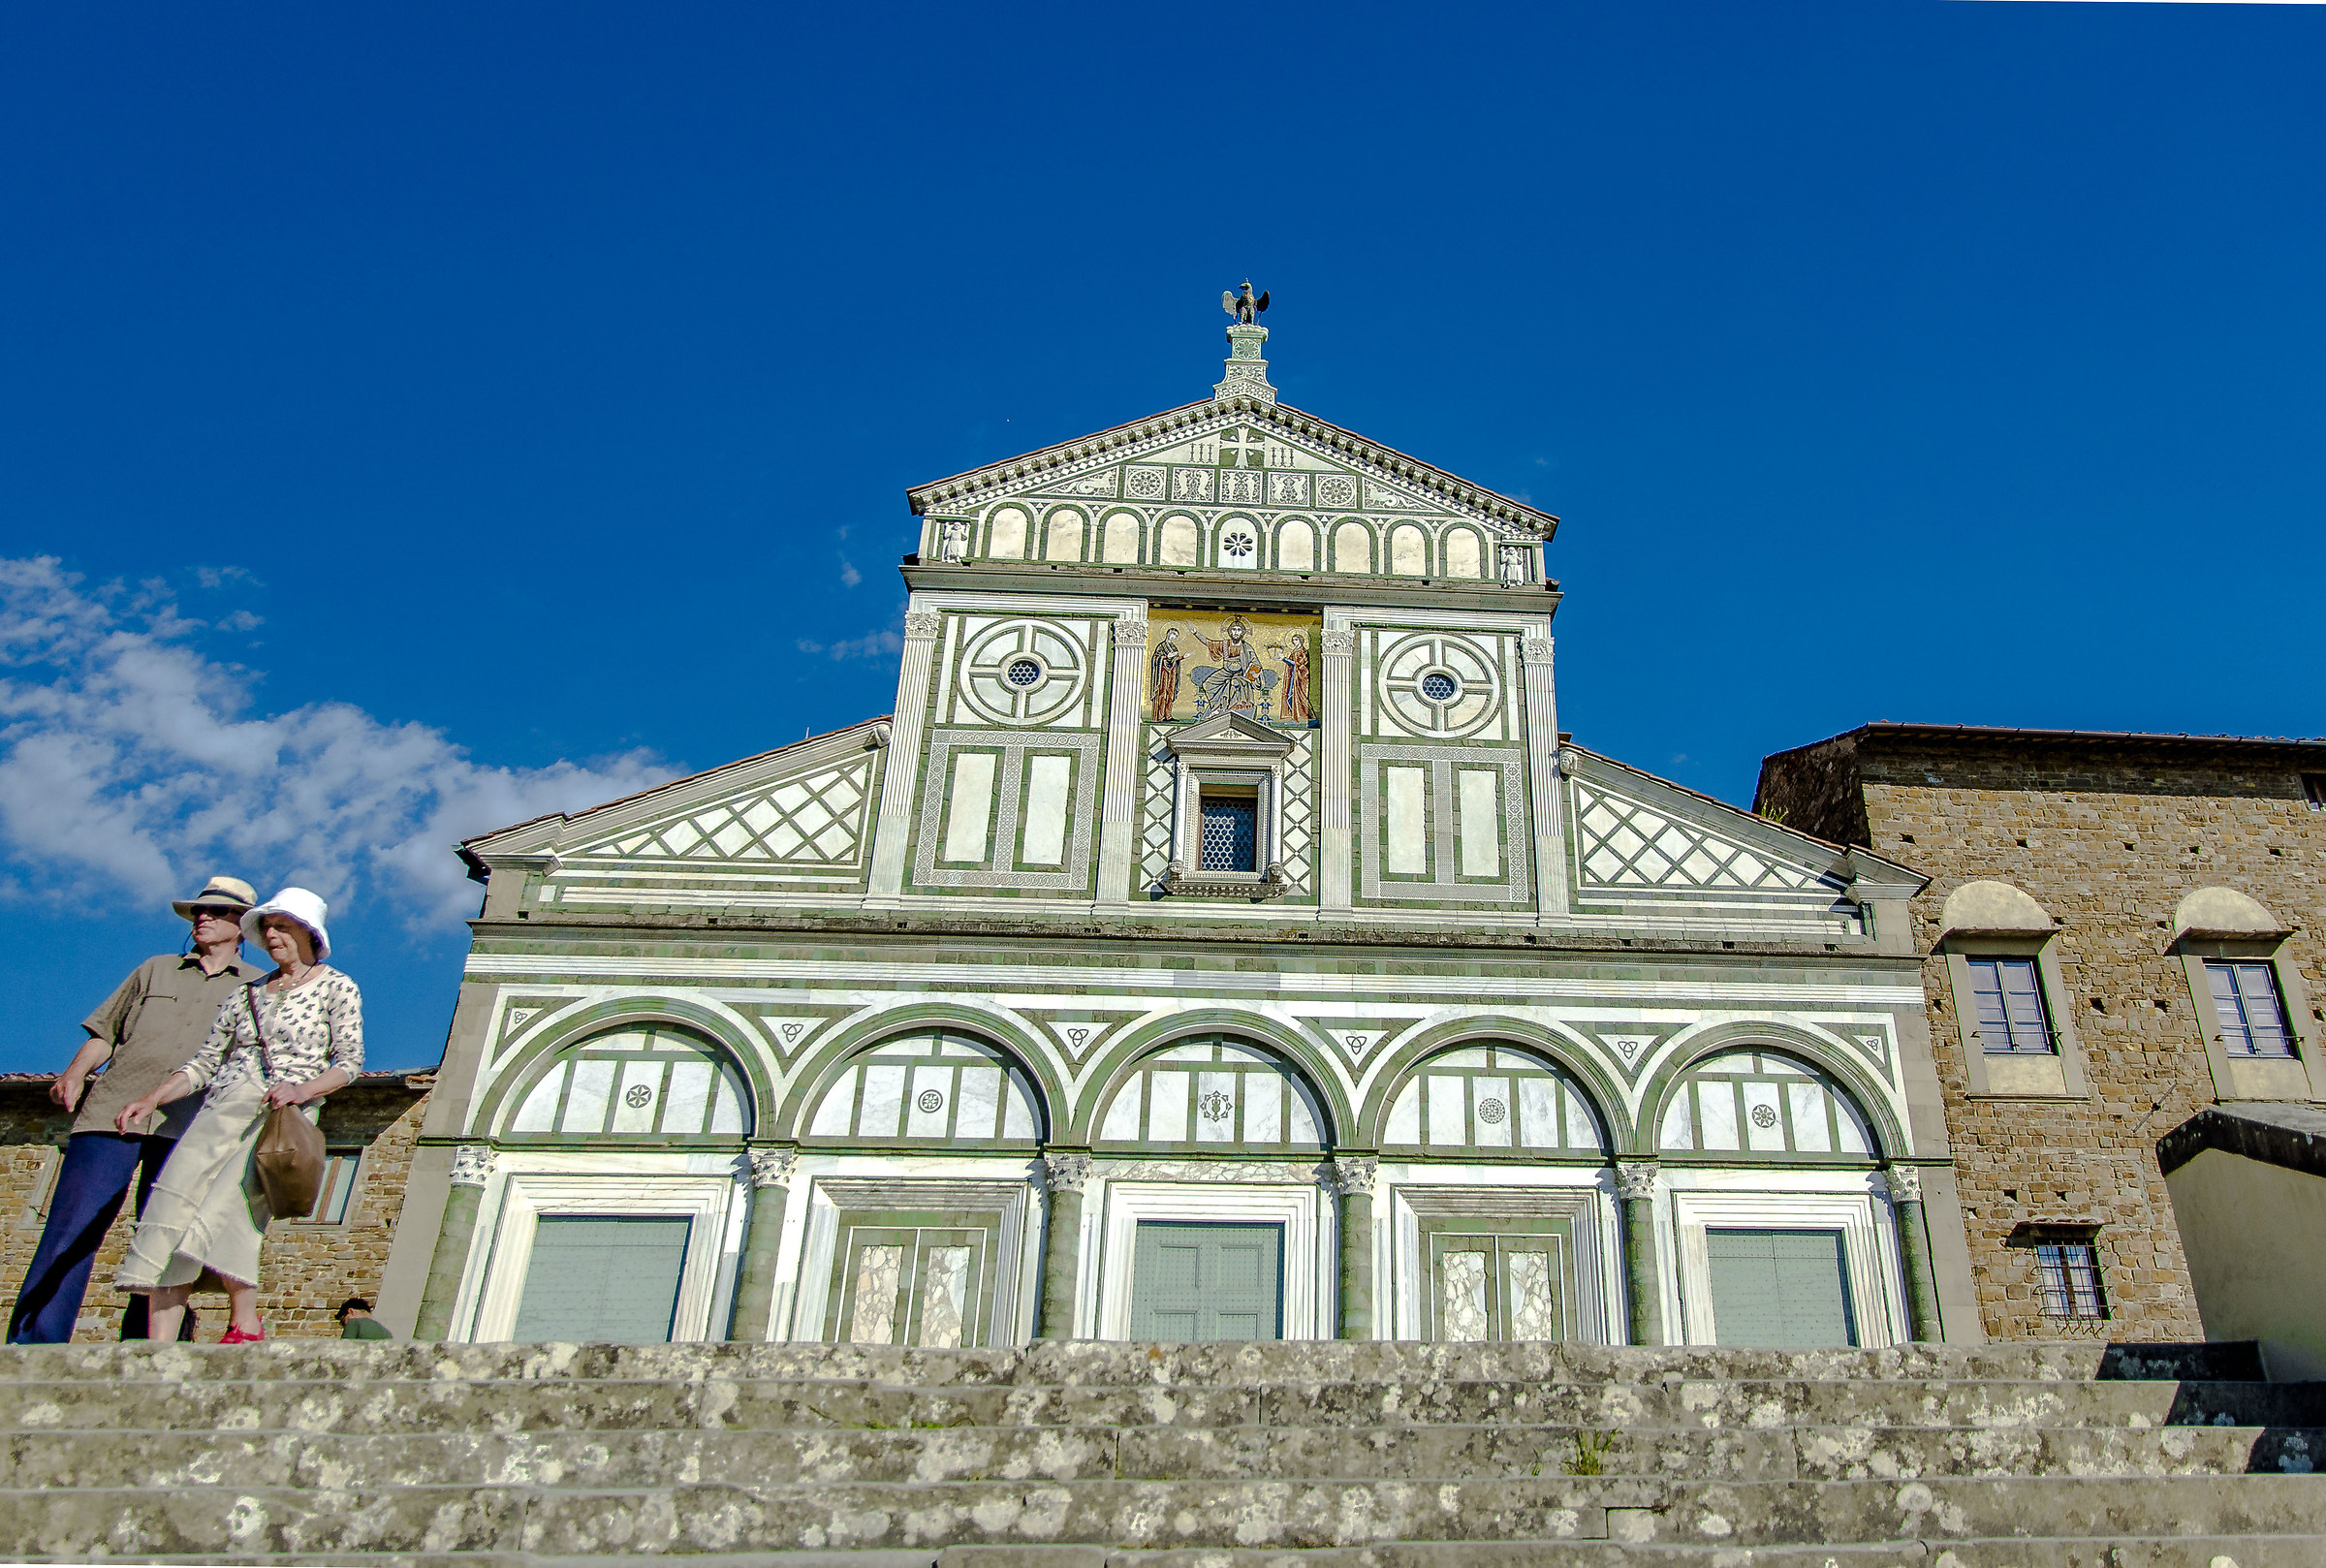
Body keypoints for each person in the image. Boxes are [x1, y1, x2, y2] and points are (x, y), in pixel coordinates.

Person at [6, 876, 257, 1344]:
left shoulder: (254, 988)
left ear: (242, 924)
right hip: (111, 1114)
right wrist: (76, 1072)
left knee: (166, 1241)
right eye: (199, 911)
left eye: (217, 911)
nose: (202, 917)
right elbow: (106, 1031)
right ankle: (34, 1343)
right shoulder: (155, 969)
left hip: (191, 1127)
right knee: (70, 1230)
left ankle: (147, 1348)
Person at [113, 888, 362, 1343]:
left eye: (282, 925)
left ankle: (244, 1323)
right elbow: (205, 1062)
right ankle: (157, 1347)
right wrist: (153, 1099)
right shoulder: (243, 994)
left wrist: (301, 1090)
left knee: (228, 1210)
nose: (271, 934)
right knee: (172, 1210)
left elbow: (349, 1063)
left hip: (278, 1119)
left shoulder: (337, 986)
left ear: (308, 933)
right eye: (267, 926)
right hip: (219, 1112)